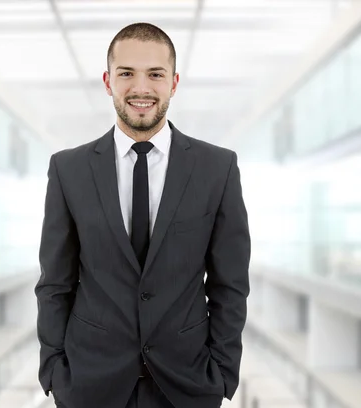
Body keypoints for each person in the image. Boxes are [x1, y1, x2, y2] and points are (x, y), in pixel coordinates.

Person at [35, 22, 251, 408]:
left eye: (155, 74)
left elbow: (229, 284)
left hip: (186, 385)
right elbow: (55, 283)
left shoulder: (217, 168)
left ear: (174, 82)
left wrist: (223, 373)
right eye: (126, 74)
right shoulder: (68, 170)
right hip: (88, 385)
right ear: (107, 81)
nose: (141, 88)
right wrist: (53, 369)